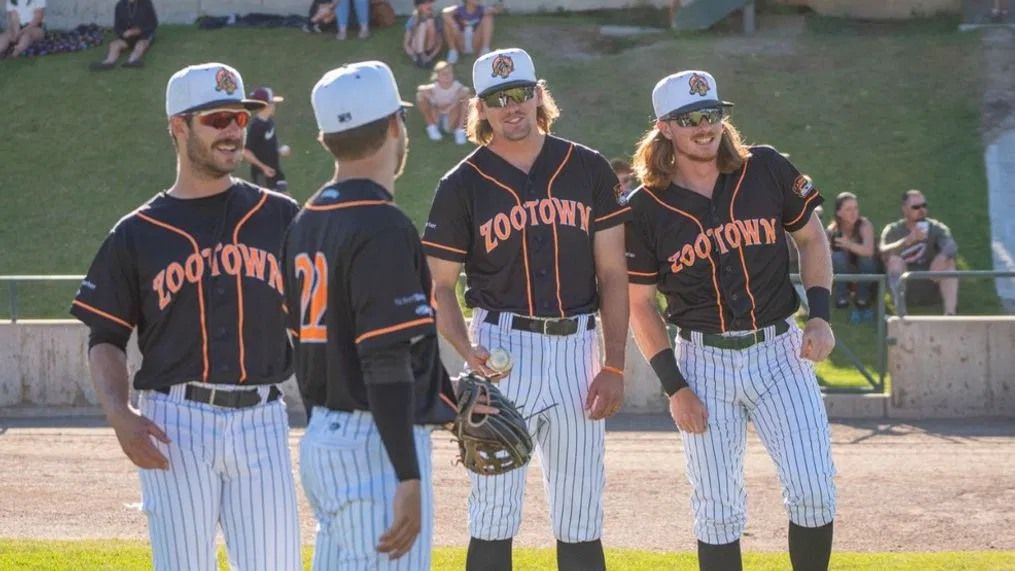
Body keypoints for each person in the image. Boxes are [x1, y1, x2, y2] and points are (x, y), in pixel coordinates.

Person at [69, 62, 301, 570]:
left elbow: (317, 322)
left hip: (262, 415)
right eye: (217, 119)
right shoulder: (137, 232)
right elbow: (104, 336)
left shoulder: (281, 216)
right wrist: (118, 412)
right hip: (175, 422)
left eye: (239, 117)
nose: (235, 131)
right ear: (178, 126)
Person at [422, 48, 630, 571]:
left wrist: (614, 364)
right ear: (480, 109)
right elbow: (440, 285)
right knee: (492, 516)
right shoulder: (461, 185)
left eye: (520, 93)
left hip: (577, 352)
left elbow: (612, 274)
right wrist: (465, 349)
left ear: (539, 95)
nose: (511, 106)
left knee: (581, 519)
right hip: (500, 350)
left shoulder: (587, 168)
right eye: (497, 98)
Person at [626, 70, 836, 571]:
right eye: (690, 118)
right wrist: (675, 388)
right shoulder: (644, 206)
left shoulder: (764, 168)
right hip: (702, 360)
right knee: (717, 509)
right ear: (664, 128)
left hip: (779, 349)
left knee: (814, 490)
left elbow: (812, 238)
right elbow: (640, 305)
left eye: (713, 113)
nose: (705, 126)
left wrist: (821, 316)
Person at [284, 61, 459, 570]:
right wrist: (407, 473)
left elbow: (304, 349)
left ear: (326, 138)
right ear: (393, 127)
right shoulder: (382, 225)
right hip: (376, 445)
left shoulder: (304, 221)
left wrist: (448, 398)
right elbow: (384, 358)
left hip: (324, 435)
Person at [879, 189, 959, 315]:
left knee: (949, 262)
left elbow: (951, 245)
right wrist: (906, 241)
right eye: (916, 207)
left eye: (924, 206)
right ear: (904, 209)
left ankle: (950, 314)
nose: (921, 210)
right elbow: (882, 251)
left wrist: (942, 257)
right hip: (903, 285)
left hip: (931, 281)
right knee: (894, 261)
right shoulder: (893, 229)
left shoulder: (935, 227)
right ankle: (901, 314)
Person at [826, 191, 878, 323]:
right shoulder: (833, 230)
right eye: (848, 209)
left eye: (856, 208)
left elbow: (869, 251)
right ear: (839, 213)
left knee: (866, 258)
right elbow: (826, 257)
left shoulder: (864, 225)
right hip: (843, 271)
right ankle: (841, 297)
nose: (854, 212)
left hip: (866, 271)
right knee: (837, 256)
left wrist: (848, 244)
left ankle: (862, 298)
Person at [243, 86, 291, 194]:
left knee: (289, 204)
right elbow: (245, 151)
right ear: (266, 105)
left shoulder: (269, 121)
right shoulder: (256, 127)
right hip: (263, 177)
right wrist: (263, 167)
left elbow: (267, 144)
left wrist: (279, 150)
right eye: (273, 103)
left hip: (275, 173)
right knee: (271, 206)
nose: (275, 106)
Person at [89, 0, 157, 70]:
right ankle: (108, 62)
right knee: (114, 44)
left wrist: (139, 31)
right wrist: (123, 33)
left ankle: (133, 60)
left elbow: (153, 24)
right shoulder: (120, 5)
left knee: (141, 44)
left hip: (143, 35)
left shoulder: (146, 3)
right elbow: (117, 27)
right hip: (127, 37)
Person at [416, 61, 470, 145]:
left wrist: (450, 106)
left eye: (449, 73)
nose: (447, 76)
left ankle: (459, 130)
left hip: (451, 119)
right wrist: (433, 100)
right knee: (420, 96)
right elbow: (420, 88)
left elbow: (466, 90)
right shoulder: (435, 86)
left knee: (467, 98)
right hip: (437, 116)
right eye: (444, 74)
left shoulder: (457, 86)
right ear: (437, 76)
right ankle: (432, 127)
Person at [404, 0, 443, 68]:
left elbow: (439, 43)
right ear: (419, 7)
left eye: (430, 3)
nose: (429, 5)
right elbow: (406, 44)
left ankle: (422, 57)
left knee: (429, 21)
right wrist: (414, 57)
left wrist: (430, 57)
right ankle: (420, 55)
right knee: (422, 24)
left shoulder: (436, 19)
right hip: (416, 48)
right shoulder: (413, 19)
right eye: (425, 3)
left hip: (429, 48)